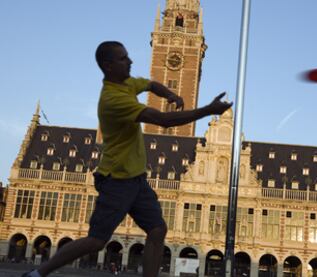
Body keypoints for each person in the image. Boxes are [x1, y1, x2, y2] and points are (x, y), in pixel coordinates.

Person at [22, 41, 232, 277]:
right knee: (96, 241)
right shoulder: (113, 100)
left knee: (157, 229)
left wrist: (171, 93)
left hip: (136, 179)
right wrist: (208, 110)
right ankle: (38, 273)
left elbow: (151, 84)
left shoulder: (126, 83)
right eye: (123, 59)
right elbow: (164, 121)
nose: (130, 61)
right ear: (108, 66)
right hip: (116, 179)